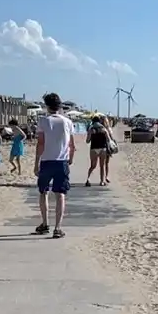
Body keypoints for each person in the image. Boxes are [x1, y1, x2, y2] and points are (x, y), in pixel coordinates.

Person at [34, 92, 75, 237]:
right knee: (60, 194)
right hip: (61, 162)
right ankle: (58, 228)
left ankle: (45, 223)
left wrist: (36, 163)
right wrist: (70, 158)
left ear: (47, 106)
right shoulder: (67, 122)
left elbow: (40, 143)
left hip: (46, 161)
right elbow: (71, 144)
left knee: (43, 192)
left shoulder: (43, 121)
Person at [85, 116, 110, 186]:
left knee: (93, 166)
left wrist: (92, 134)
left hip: (93, 148)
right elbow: (108, 140)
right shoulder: (103, 129)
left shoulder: (91, 129)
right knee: (102, 166)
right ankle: (102, 181)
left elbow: (87, 141)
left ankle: (88, 179)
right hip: (102, 148)